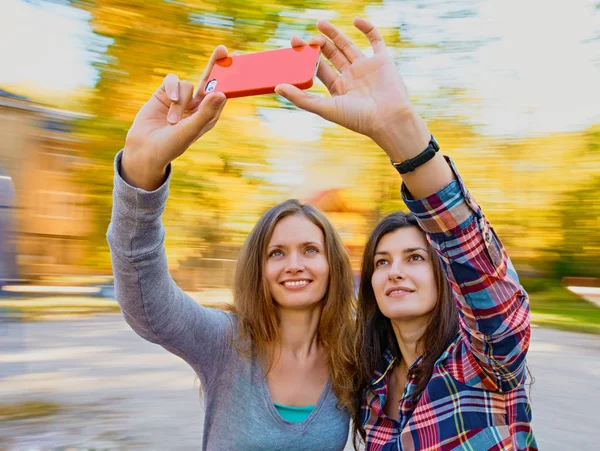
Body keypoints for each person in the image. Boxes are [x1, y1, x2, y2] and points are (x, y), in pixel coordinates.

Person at [275, 18, 537, 451]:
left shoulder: (486, 361)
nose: (394, 271)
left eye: (415, 257)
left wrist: (402, 135)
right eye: (382, 262)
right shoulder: (370, 382)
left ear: (443, 274)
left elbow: (474, 261)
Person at [107, 39, 357, 450]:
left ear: (334, 265)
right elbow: (145, 304)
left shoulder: (355, 356)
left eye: (310, 250)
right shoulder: (226, 344)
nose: (294, 263)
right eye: (276, 252)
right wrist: (141, 173)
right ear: (258, 269)